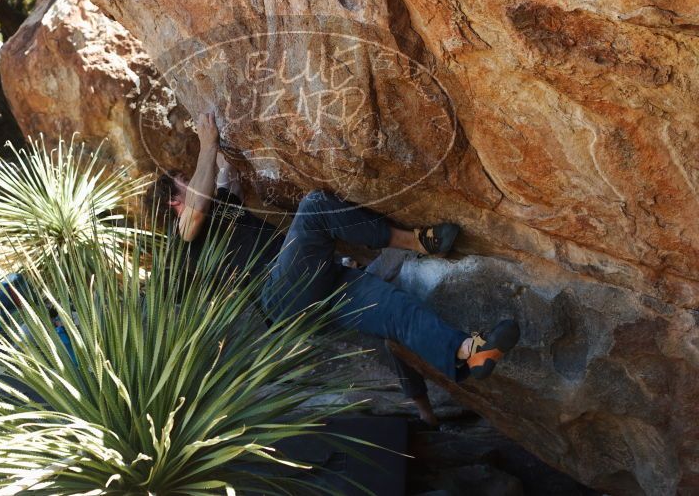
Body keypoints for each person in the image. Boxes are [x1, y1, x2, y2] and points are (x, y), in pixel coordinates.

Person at [159, 112, 520, 427]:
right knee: (315, 208)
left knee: (395, 307)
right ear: (174, 201)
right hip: (280, 298)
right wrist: (207, 145)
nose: (191, 181)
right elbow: (195, 212)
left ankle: (469, 353)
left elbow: (226, 176)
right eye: (183, 183)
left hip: (319, 288)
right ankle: (417, 241)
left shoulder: (221, 205)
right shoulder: (184, 238)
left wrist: (221, 136)